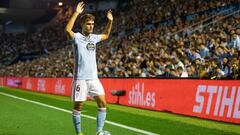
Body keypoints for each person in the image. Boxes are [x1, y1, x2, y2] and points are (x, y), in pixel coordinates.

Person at [65, 1, 113, 135]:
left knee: (103, 103)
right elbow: (67, 30)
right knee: (78, 106)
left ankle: (99, 132)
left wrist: (110, 21)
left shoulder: (94, 38)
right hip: (80, 79)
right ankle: (79, 133)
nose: (91, 26)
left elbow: (106, 35)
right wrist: (76, 13)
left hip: (94, 78)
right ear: (82, 25)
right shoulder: (77, 38)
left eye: (92, 24)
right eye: (88, 24)